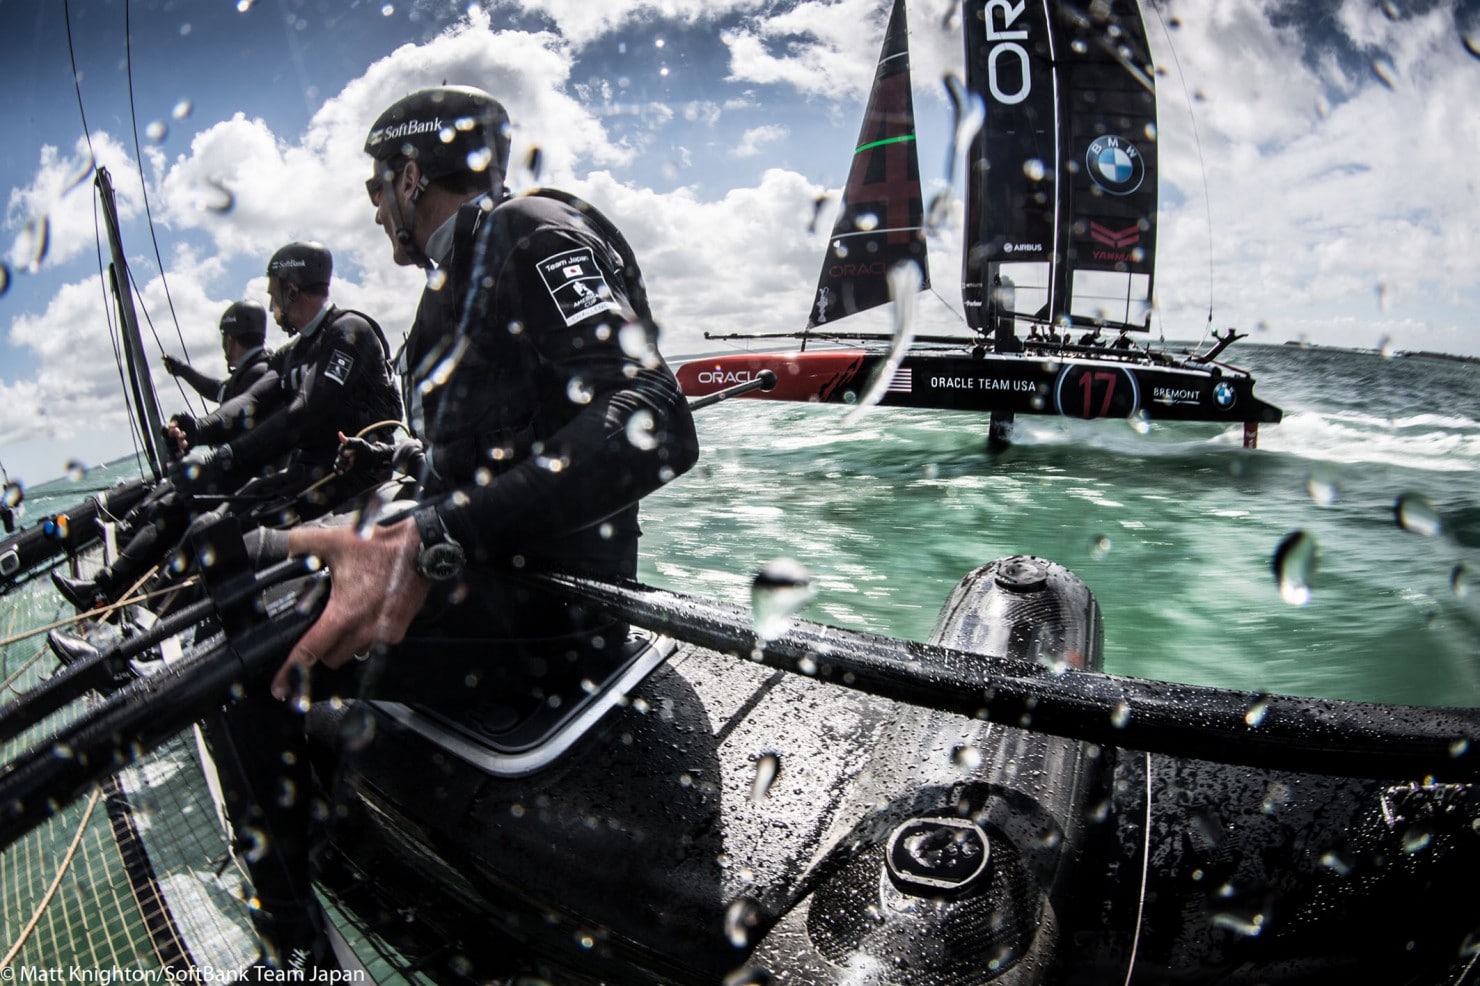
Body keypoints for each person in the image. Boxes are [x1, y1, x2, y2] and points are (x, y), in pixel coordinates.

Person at [211, 84, 700, 970]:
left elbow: (654, 419)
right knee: (253, 577)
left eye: (375, 184)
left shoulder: (530, 233)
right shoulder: (457, 276)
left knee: (242, 656)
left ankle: (292, 950)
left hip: (546, 620)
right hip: (495, 588)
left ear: (408, 174)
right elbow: (474, 455)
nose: (371, 206)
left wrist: (435, 534)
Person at [50, 244, 402, 613]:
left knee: (217, 536)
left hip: (348, 477)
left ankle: (152, 624)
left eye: (274, 294)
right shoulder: (291, 353)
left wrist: (228, 457)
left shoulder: (349, 332)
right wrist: (197, 430)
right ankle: (115, 597)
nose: (272, 307)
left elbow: (303, 413)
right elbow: (248, 403)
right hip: (307, 475)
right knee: (199, 523)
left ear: (292, 289)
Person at [162, 301, 274, 405]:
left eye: (224, 336)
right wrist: (182, 369)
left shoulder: (253, 376)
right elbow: (218, 390)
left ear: (229, 340)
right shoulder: (266, 367)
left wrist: (197, 425)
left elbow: (219, 393)